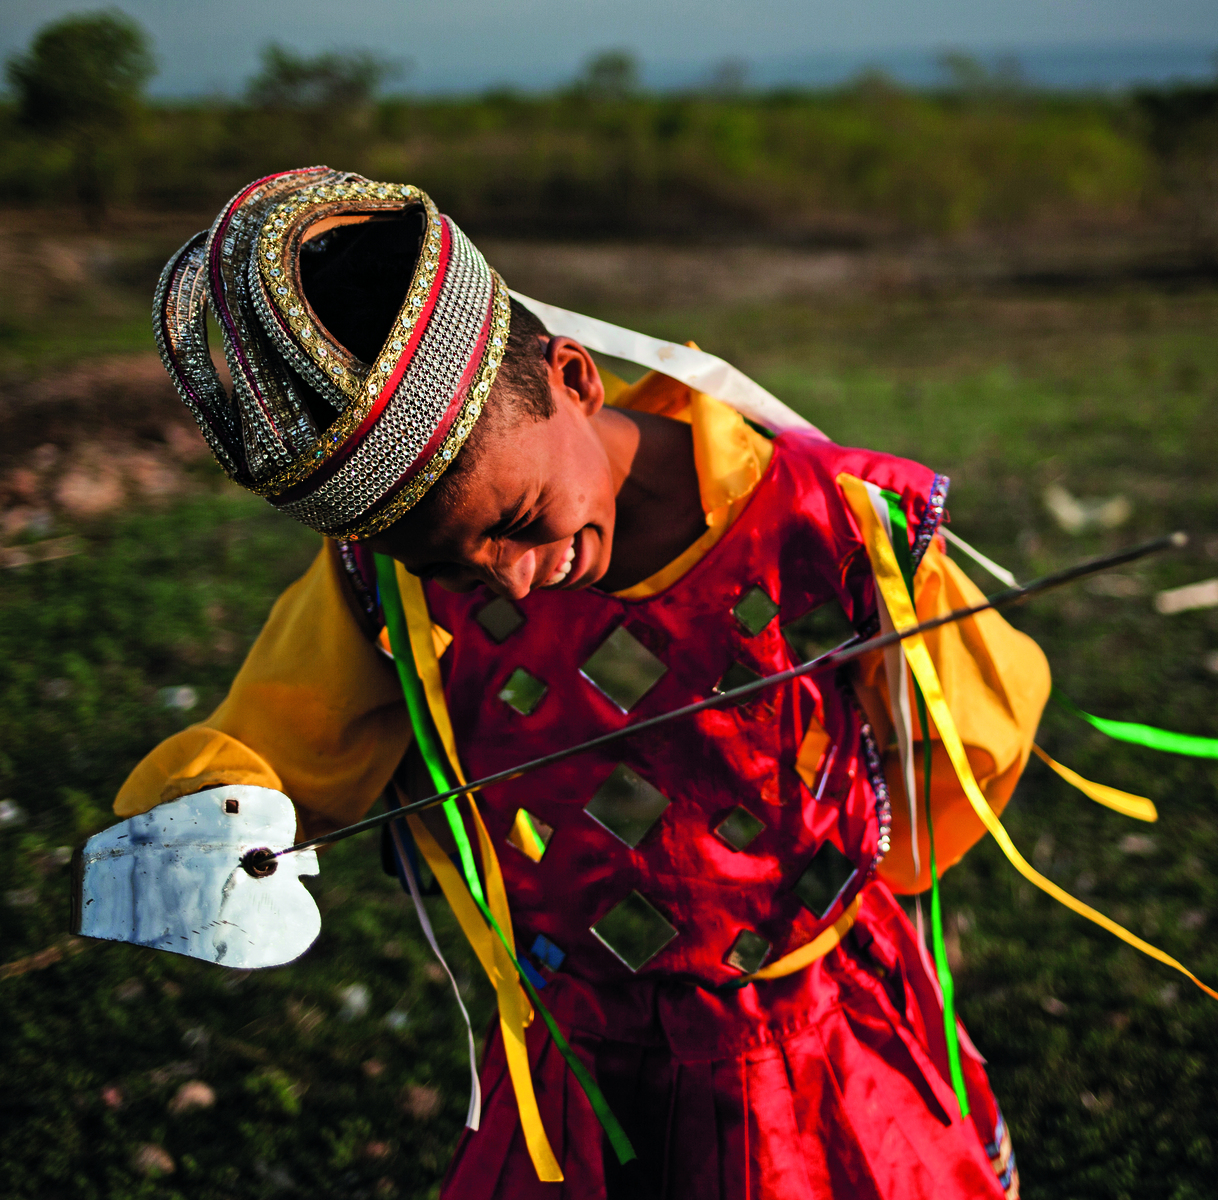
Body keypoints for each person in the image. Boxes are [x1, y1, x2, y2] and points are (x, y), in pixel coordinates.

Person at [118, 166, 1043, 1197]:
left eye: (516, 521)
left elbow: (973, 735)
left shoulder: (833, 526)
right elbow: (282, 734)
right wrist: (207, 824)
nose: (513, 577)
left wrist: (876, 828)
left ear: (574, 378)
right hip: (577, 1067)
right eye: (452, 568)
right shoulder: (377, 578)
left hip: (807, 1044)